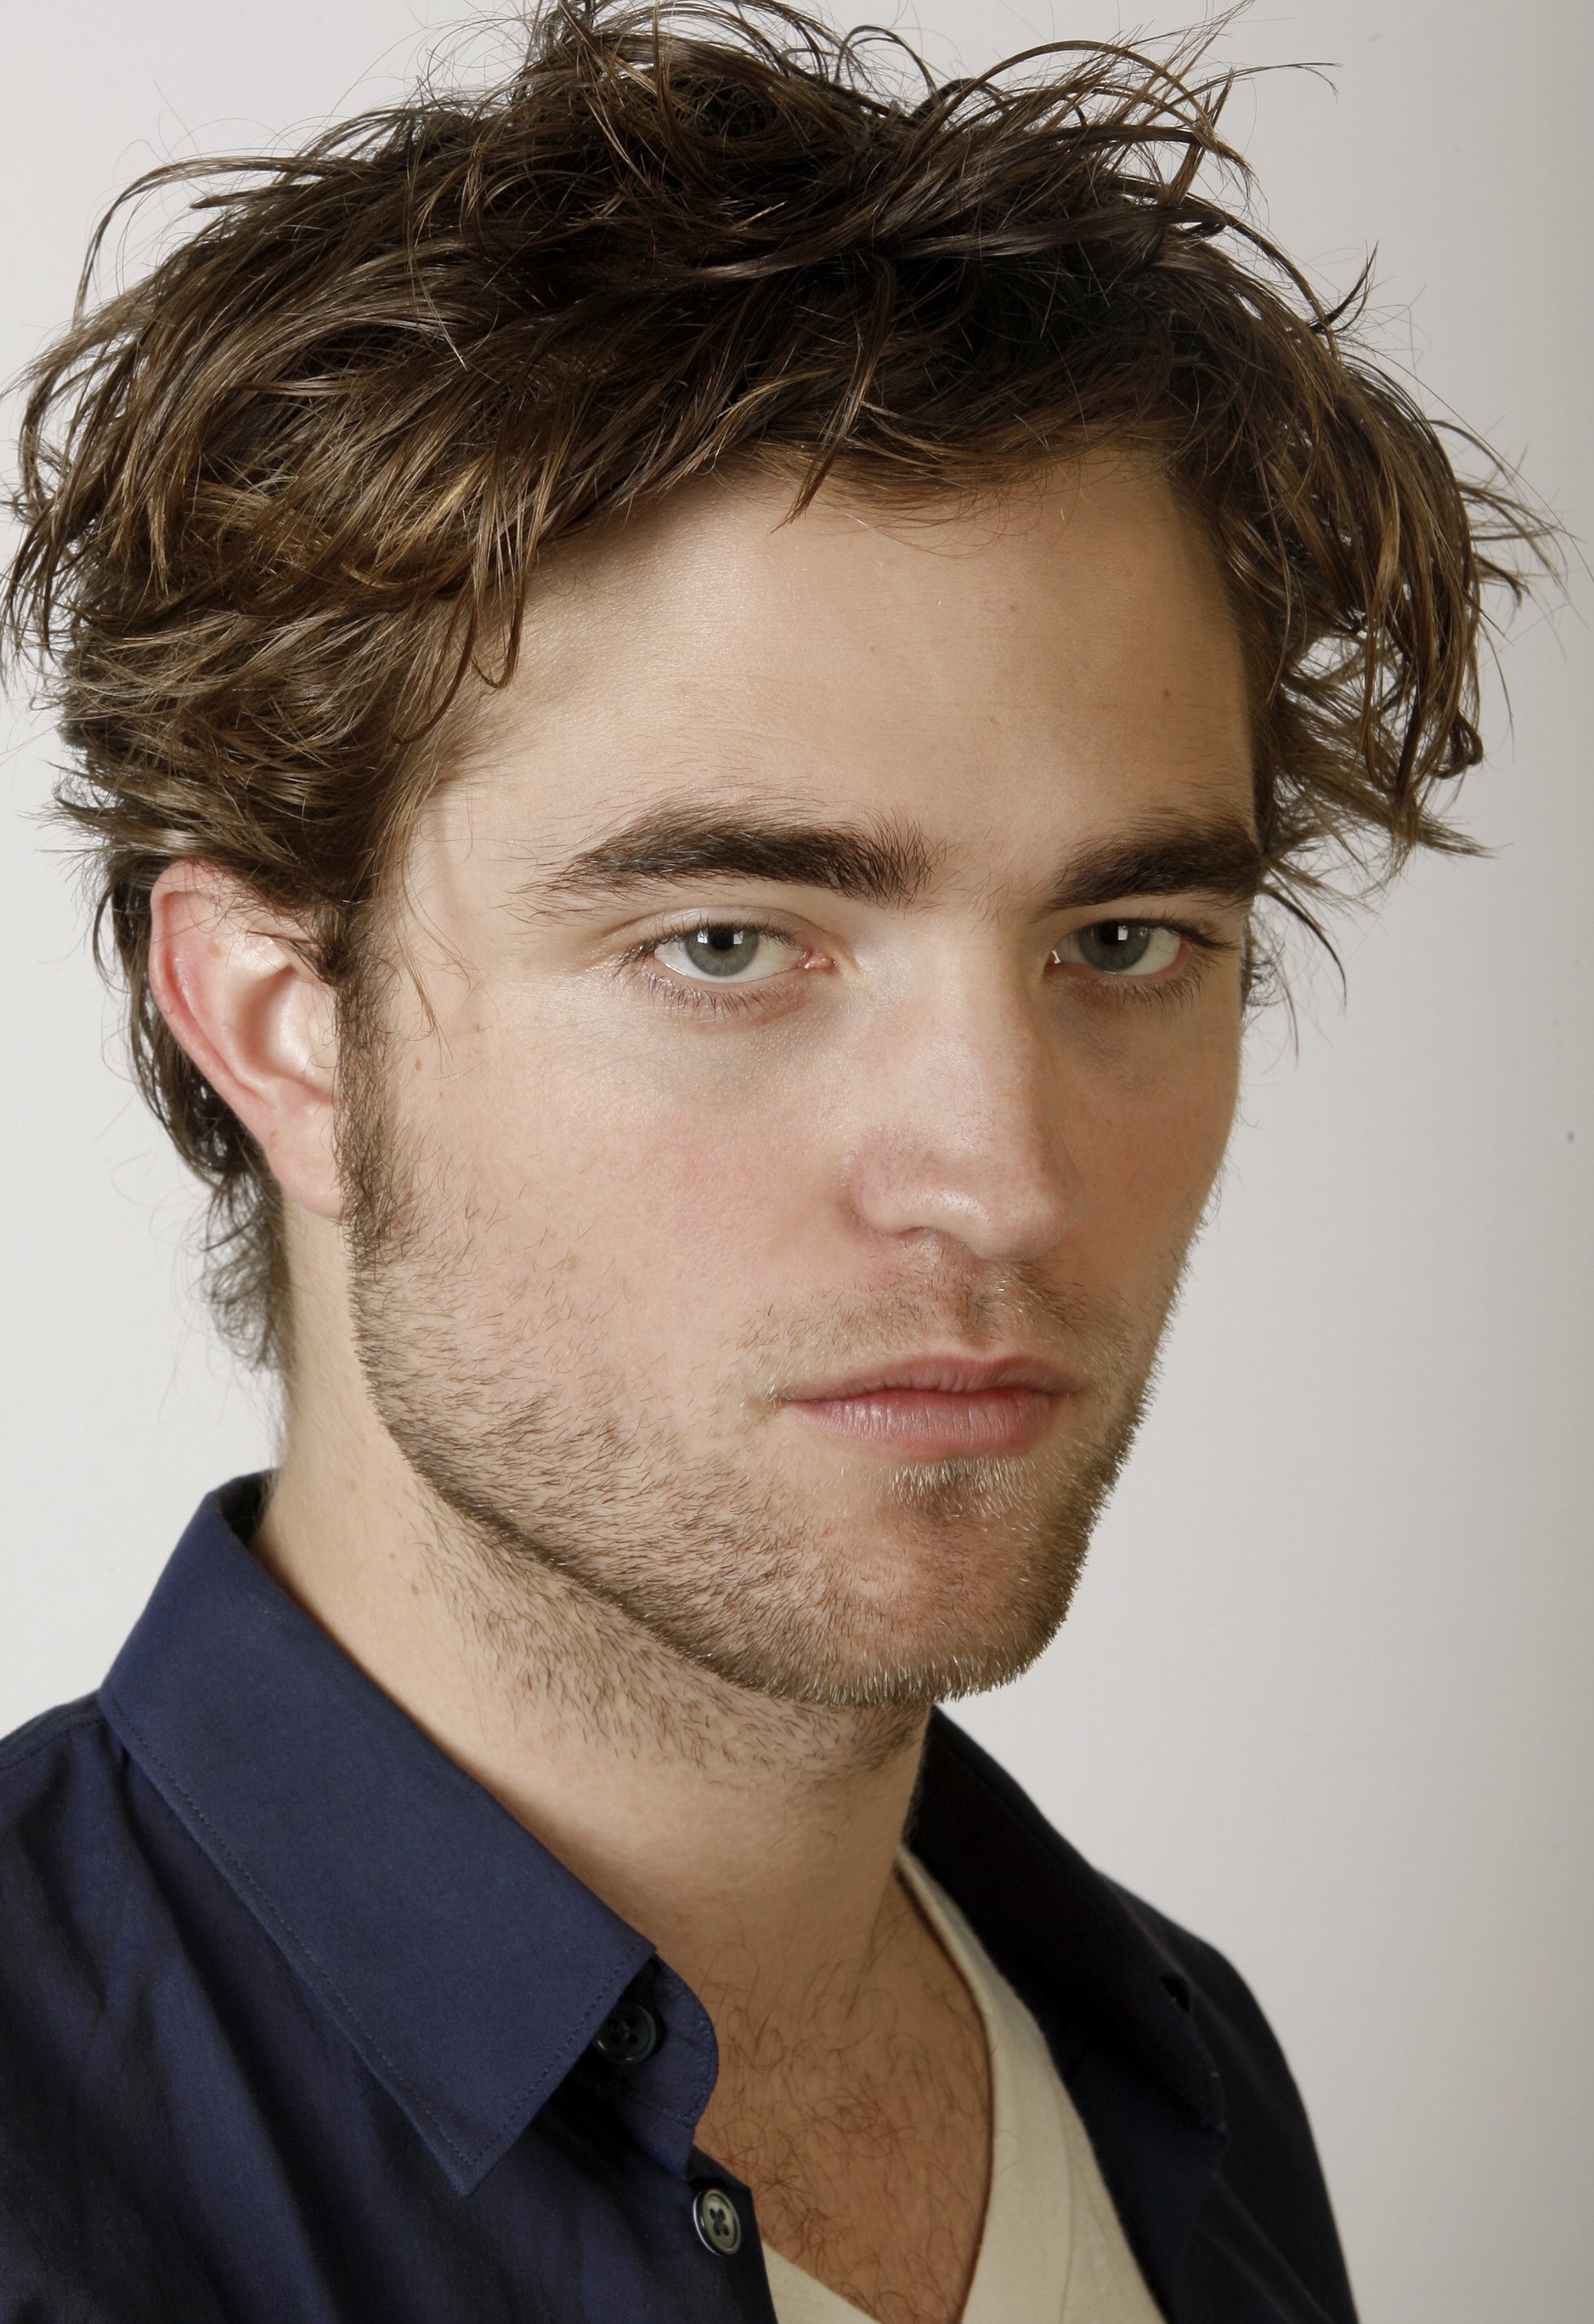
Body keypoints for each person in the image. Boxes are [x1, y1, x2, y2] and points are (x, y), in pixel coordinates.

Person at [0, 6, 1537, 2320]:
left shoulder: (1178, 2068)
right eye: (727, 943)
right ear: (279, 1022)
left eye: (1123, 940)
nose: (1003, 1184)